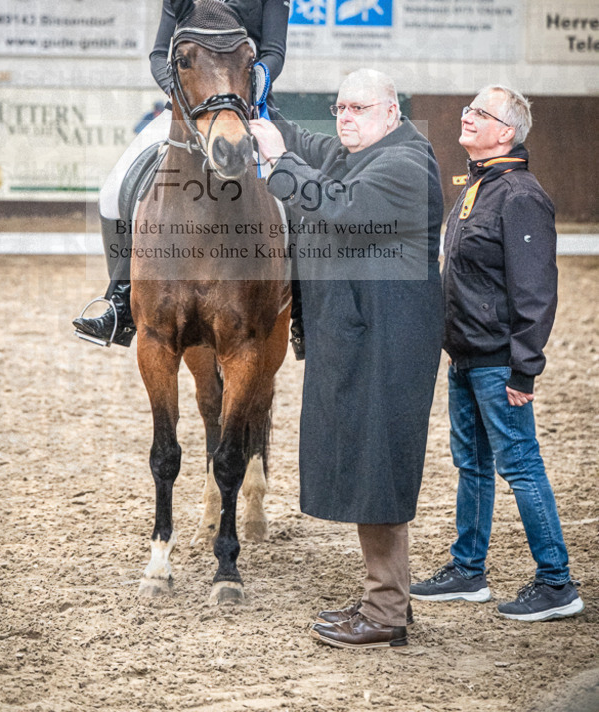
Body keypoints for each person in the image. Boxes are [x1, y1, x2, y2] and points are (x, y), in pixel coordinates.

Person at [250, 69, 444, 649]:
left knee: (378, 466)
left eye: (358, 107)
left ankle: (386, 613)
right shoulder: (363, 151)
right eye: (338, 107)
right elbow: (312, 147)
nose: (344, 116)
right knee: (367, 462)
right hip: (365, 337)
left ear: (391, 112)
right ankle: (381, 600)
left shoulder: (406, 163)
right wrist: (260, 105)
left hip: (389, 342)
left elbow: (341, 206)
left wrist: (279, 162)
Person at [73, 0, 292, 349]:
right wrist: (179, 93)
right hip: (187, 108)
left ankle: (304, 312)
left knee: (295, 192)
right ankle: (119, 300)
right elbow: (158, 51)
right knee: (113, 191)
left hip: (248, 106)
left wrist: (250, 88)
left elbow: (273, 49)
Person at [410, 86, 584, 622]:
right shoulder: (478, 186)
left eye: (479, 113)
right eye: (468, 109)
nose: (466, 117)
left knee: (522, 466)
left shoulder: (520, 195)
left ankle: (557, 582)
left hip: (498, 364)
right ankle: (469, 570)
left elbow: (536, 293)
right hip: (464, 356)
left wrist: (524, 368)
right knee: (473, 466)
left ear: (505, 132)